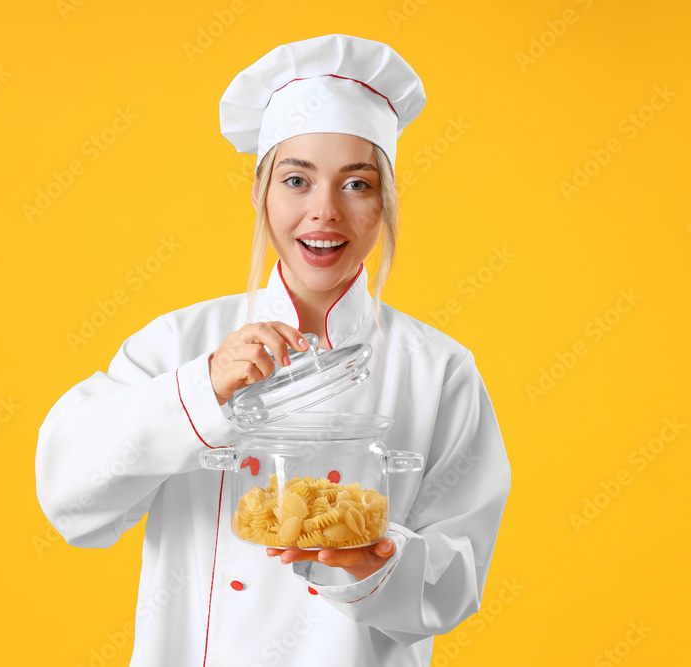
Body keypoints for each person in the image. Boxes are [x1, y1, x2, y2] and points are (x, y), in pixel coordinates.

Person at [35, 33, 512, 666]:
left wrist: (377, 560)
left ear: (386, 202)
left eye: (357, 184)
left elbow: (457, 583)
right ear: (261, 194)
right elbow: (71, 496)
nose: (324, 212)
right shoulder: (180, 343)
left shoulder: (440, 370)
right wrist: (202, 388)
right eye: (296, 180)